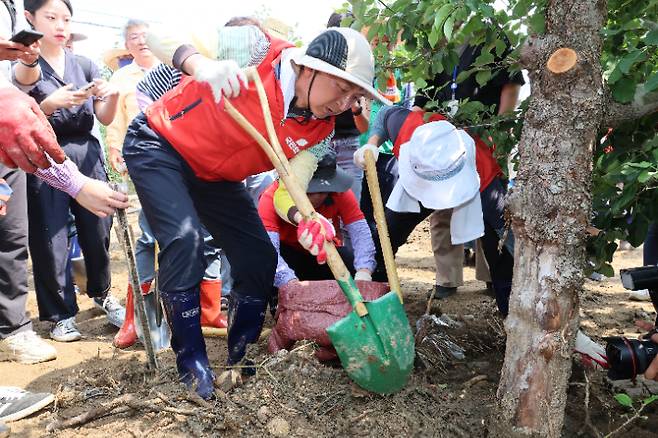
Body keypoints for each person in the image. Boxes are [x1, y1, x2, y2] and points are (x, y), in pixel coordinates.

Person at [123, 24, 385, 398]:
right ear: (308, 68)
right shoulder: (258, 50)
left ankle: (240, 356)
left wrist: (304, 217)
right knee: (185, 240)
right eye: (342, 89)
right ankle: (191, 363)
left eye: (354, 96)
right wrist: (200, 65)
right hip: (159, 145)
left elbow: (288, 192)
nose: (344, 105)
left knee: (260, 257)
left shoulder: (320, 131)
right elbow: (157, 34)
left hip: (216, 177)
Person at [0, 0, 128, 365]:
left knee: (97, 228)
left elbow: (101, 116)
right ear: (29, 19)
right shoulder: (20, 65)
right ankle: (60, 314)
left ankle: (102, 292)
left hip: (85, 151)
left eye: (65, 19)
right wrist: (50, 105)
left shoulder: (84, 63)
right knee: (50, 236)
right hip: (44, 155)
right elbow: (16, 119)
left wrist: (111, 95)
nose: (59, 25)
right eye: (50, 18)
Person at [354, 104, 514, 316]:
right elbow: (384, 114)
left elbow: (510, 235)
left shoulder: (483, 176)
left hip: (471, 191)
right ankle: (376, 297)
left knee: (499, 254)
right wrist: (372, 144)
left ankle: (509, 313)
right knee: (387, 234)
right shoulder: (407, 126)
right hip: (418, 183)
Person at [414, 39, 524, 300]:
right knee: (442, 209)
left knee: (492, 209)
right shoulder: (435, 44)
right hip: (444, 140)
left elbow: (511, 84)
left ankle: (492, 275)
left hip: (485, 137)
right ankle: (447, 277)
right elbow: (421, 101)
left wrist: (498, 128)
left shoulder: (491, 35)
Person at [259, 151, 376, 290]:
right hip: (287, 255)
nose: (317, 198)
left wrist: (364, 270)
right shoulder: (270, 198)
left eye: (322, 192)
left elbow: (360, 232)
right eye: (309, 192)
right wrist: (289, 282)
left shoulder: (339, 192)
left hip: (323, 251)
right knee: (261, 267)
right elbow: (269, 251)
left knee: (349, 263)